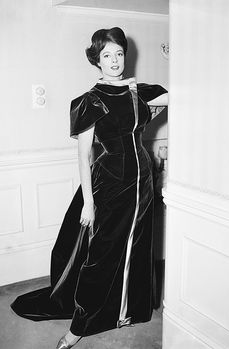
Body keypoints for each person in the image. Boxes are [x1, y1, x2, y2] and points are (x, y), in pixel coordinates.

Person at [11, 27, 168, 349]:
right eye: (107, 55)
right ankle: (80, 325)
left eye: (119, 53)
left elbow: (186, 94)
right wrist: (88, 202)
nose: (114, 61)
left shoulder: (138, 92)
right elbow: (83, 154)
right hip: (109, 185)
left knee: (137, 248)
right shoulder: (89, 101)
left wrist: (139, 90)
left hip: (143, 183)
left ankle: (128, 311)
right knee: (99, 256)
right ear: (96, 61)